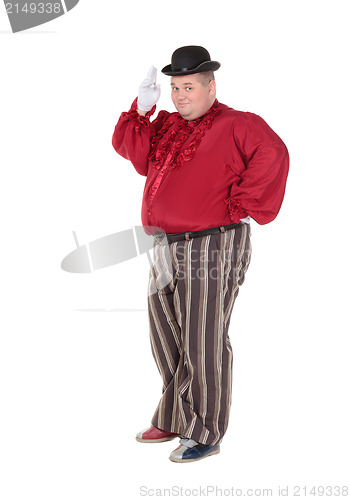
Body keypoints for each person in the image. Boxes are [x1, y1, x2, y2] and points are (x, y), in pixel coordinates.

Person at [112, 45, 289, 463]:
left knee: (202, 336)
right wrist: (141, 111)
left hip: (212, 242)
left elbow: (274, 153)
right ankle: (176, 415)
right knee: (166, 334)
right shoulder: (169, 125)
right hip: (164, 244)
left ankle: (206, 431)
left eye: (188, 87)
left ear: (211, 86)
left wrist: (239, 203)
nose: (179, 96)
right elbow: (134, 154)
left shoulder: (238, 123)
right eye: (175, 87)